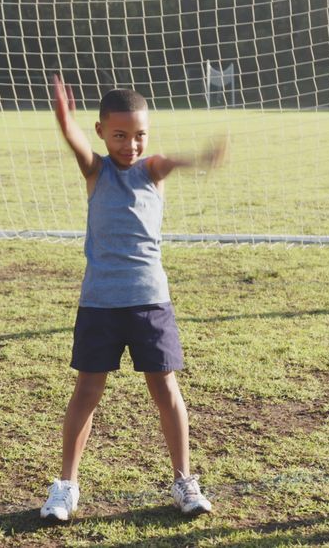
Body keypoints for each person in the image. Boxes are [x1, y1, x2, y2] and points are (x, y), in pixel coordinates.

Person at [39, 76, 225, 521]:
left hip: (150, 302)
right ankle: (66, 487)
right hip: (100, 302)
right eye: (120, 135)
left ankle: (184, 482)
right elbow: (77, 146)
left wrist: (200, 158)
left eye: (139, 134)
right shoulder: (96, 171)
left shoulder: (152, 169)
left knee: (165, 389)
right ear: (101, 131)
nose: (131, 144)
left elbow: (169, 161)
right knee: (87, 390)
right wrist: (65, 122)